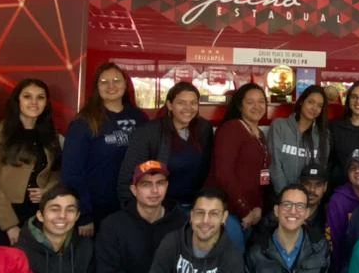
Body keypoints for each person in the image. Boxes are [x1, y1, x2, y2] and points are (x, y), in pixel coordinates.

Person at [61, 62, 147, 237]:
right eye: (104, 81)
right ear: (96, 87)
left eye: (116, 80)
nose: (111, 86)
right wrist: (84, 214)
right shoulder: (84, 122)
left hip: (134, 207)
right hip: (97, 211)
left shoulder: (140, 118)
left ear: (126, 84)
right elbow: (71, 173)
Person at [0, 78, 60, 245]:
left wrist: (48, 190)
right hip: (4, 215)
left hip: (39, 215)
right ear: (17, 101)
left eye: (40, 97)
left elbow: (58, 172)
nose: (34, 102)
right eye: (27, 96)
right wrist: (10, 225)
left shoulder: (51, 135)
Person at [117, 81, 214, 211]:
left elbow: (209, 169)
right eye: (181, 103)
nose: (188, 108)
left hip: (195, 207)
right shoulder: (149, 132)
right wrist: (134, 212)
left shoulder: (204, 128)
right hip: (159, 209)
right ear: (169, 105)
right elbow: (128, 177)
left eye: (193, 103)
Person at [210, 82, 271, 240]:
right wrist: (244, 210)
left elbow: (262, 176)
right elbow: (224, 174)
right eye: (250, 102)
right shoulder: (232, 129)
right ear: (240, 106)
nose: (257, 106)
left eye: (261, 101)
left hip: (251, 213)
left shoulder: (259, 134)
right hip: (229, 211)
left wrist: (258, 207)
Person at [267, 85, 330, 194]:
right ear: (301, 102)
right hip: (280, 195)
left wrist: (305, 198)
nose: (314, 108)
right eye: (310, 102)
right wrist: (286, 196)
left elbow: (320, 171)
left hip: (309, 197)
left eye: (319, 106)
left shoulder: (323, 135)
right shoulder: (279, 126)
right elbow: (274, 164)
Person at [327, 150, 359, 272]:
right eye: (352, 168)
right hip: (349, 265)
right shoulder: (338, 201)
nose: (357, 171)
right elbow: (336, 242)